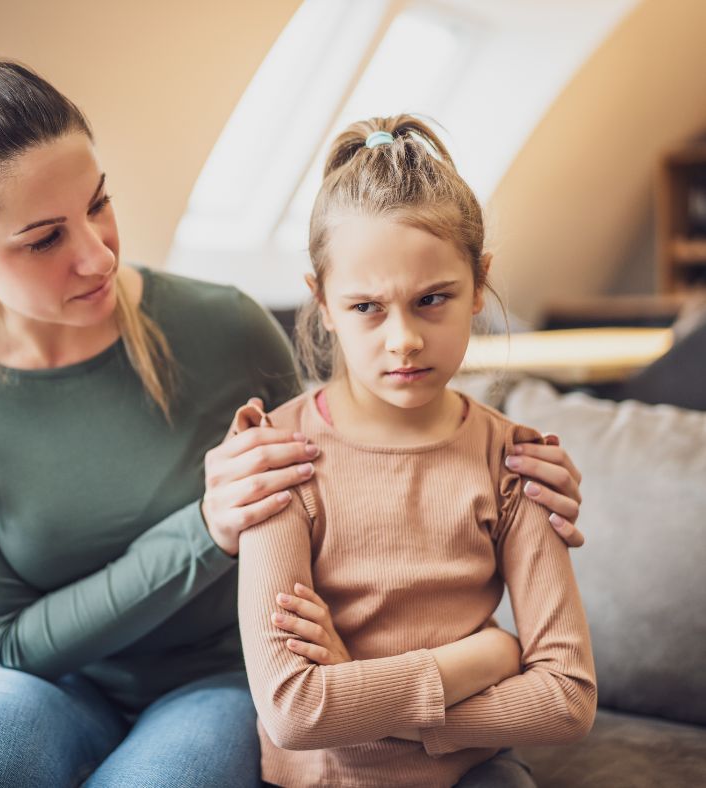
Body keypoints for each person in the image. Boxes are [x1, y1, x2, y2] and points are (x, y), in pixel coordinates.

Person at [0, 26, 587, 787]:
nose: (99, 253)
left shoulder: (222, 325)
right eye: (44, 239)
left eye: (99, 203)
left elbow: (367, 444)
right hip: (51, 681)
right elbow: (13, 640)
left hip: (222, 675)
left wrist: (513, 478)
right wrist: (207, 528)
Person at [237, 118, 597, 788]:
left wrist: (359, 691)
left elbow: (566, 699)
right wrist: (486, 658)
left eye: (433, 299)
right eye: (368, 307)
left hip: (474, 775)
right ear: (321, 302)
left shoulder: (514, 462)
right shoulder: (278, 458)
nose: (403, 339)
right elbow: (294, 711)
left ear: (480, 283)